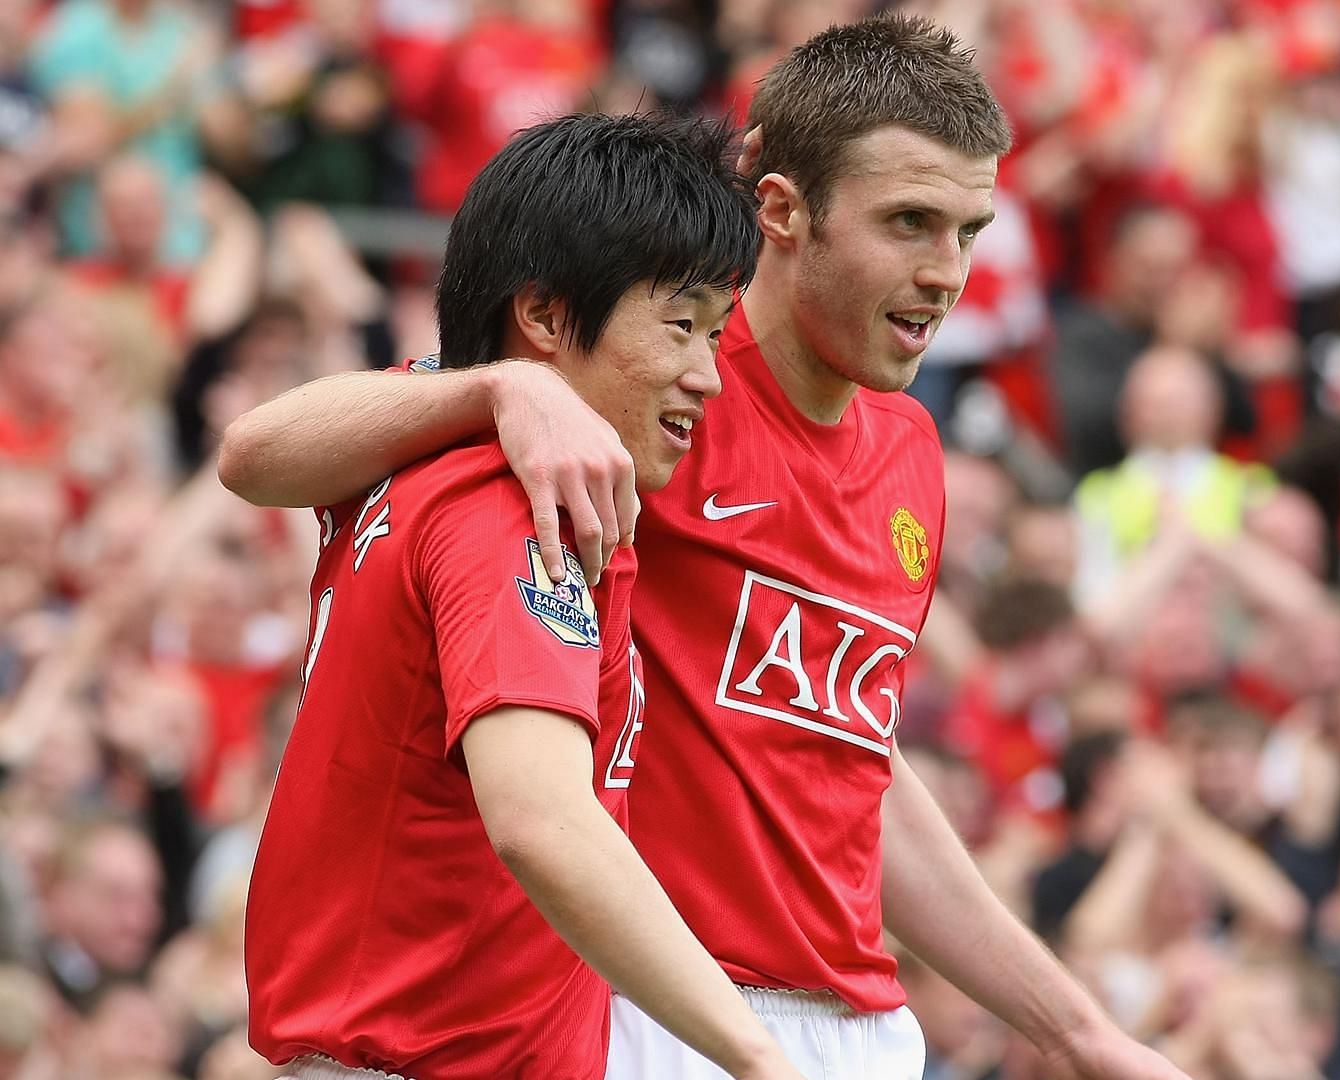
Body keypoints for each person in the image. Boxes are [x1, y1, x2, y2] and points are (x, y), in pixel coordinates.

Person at [220, 14, 1185, 1080]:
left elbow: (851, 763)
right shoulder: (620, 384)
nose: (946, 272)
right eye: (909, 222)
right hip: (658, 1007)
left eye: (969, 230)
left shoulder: (904, 446)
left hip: (858, 1015)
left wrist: (1080, 1034)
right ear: (780, 211)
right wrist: (504, 389)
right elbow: (263, 454)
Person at [239, 112, 803, 1080]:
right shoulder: (514, 506)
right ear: (543, 316)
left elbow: (252, 453)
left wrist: (501, 388)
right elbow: (540, 820)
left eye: (716, 331)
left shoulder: (429, 430)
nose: (708, 374)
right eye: (680, 324)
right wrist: (761, 1060)